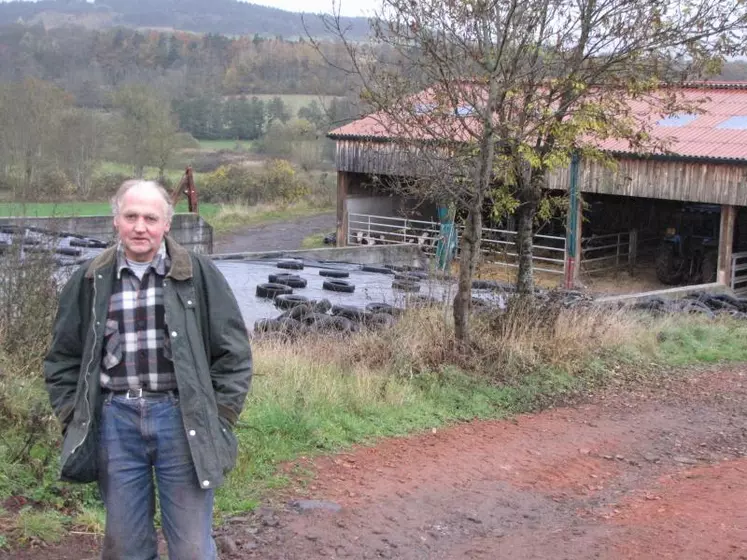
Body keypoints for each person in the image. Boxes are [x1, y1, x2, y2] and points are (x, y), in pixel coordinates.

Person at [44, 180, 253, 559]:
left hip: (182, 420)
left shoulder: (198, 275)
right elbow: (62, 357)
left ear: (166, 225)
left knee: (191, 548)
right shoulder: (89, 279)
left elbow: (234, 353)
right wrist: (73, 415)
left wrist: (220, 416)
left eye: (151, 218)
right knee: (125, 548)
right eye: (131, 217)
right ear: (116, 221)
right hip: (115, 423)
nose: (140, 227)